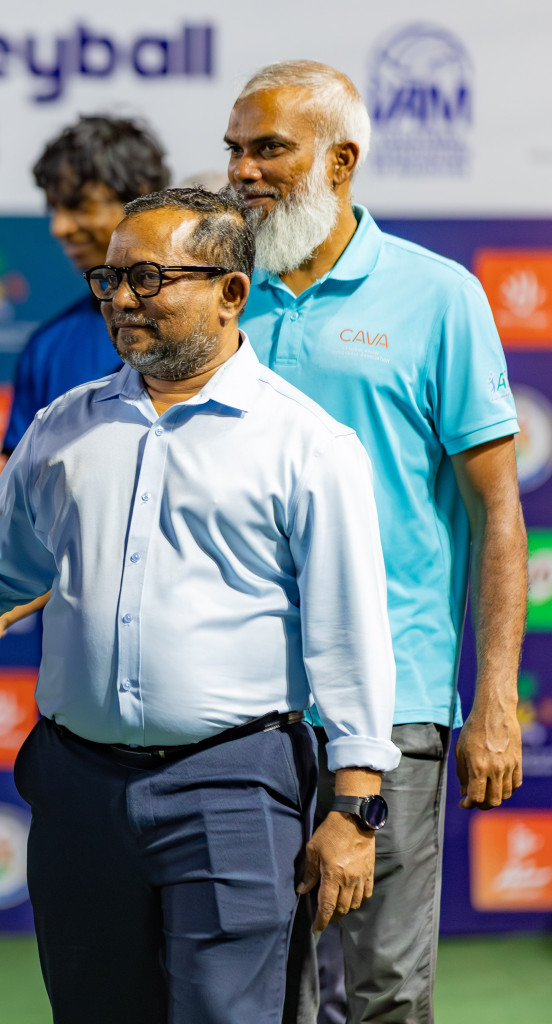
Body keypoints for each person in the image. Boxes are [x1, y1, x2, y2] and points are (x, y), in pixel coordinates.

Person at [0, 187, 401, 1024]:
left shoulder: (308, 444)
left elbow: (349, 635)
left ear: (230, 291)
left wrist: (355, 808)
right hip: (79, 788)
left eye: (148, 278)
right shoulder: (64, 425)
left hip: (235, 785)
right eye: (109, 282)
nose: (121, 301)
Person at [225, 61, 527, 1024]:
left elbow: (500, 514)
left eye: (268, 147)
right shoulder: (221, 295)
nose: (243, 170)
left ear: (341, 160)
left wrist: (496, 702)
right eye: (234, 148)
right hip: (243, 709)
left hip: (394, 707)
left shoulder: (438, 297)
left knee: (386, 995)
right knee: (268, 993)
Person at [2, 115, 169, 455]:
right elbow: (19, 495)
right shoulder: (48, 347)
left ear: (139, 198)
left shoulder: (220, 325)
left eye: (79, 206)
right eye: (54, 208)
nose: (59, 227)